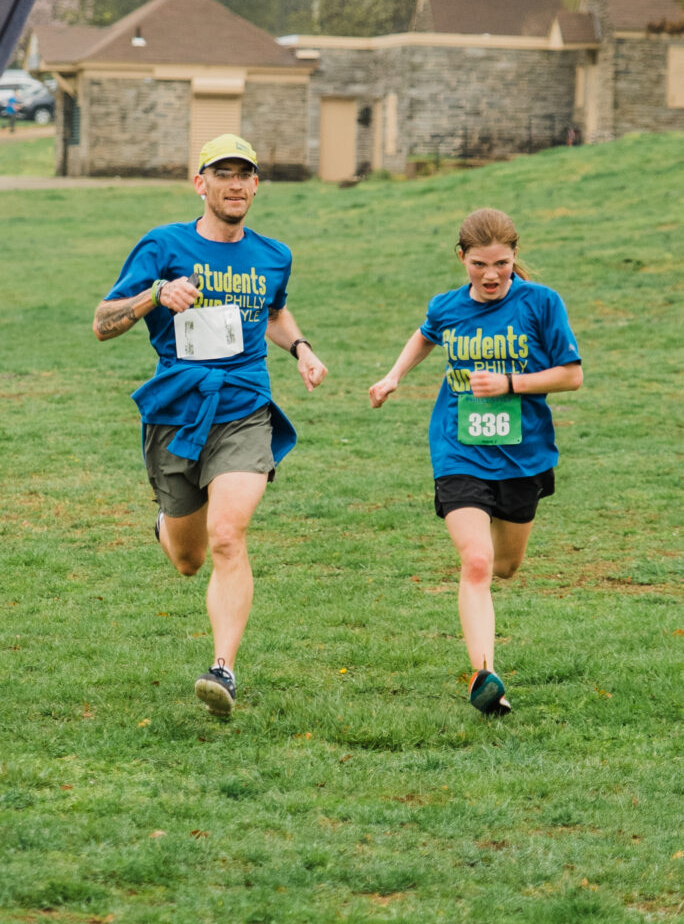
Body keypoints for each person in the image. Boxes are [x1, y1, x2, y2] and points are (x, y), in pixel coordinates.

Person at [93, 133, 327, 717]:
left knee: (227, 535)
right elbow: (102, 323)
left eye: (245, 175)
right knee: (188, 557)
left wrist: (299, 347)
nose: (235, 185)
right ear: (200, 183)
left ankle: (222, 668)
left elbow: (272, 310)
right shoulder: (163, 245)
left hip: (245, 410)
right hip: (177, 413)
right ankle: (168, 526)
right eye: (222, 174)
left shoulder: (274, 254)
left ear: (256, 185)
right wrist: (156, 292)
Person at [369, 208, 582, 716]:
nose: (491, 275)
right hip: (458, 448)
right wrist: (395, 374)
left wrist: (510, 384)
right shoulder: (447, 307)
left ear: (514, 257)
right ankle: (485, 676)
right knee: (477, 561)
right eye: (480, 264)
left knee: (505, 565)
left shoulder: (541, 303)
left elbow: (571, 376)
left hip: (522, 454)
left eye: (502, 264)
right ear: (461, 258)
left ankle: (486, 657)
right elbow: (426, 333)